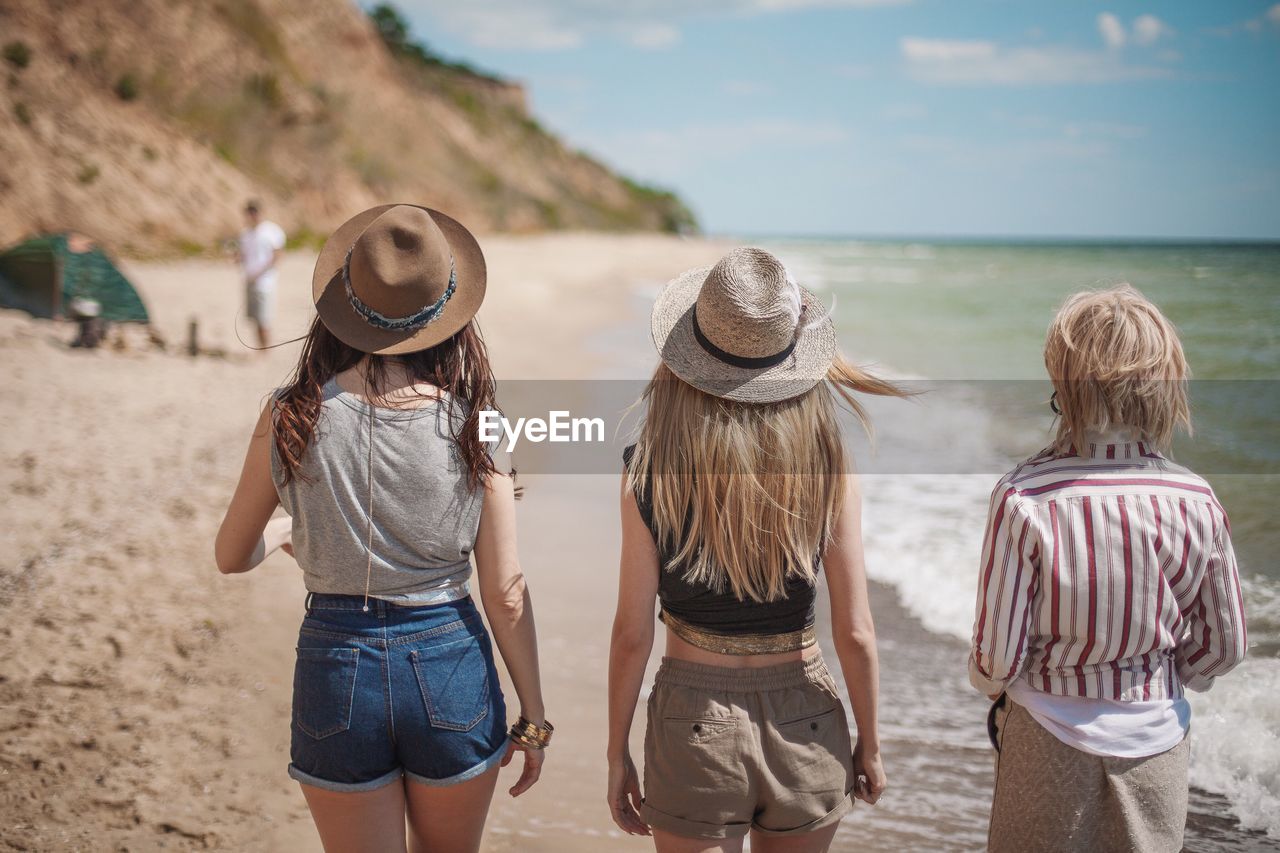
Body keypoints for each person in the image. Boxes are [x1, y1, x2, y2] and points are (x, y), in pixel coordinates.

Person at [214, 204, 549, 852]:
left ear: (346, 302)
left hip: (337, 661)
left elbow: (231, 554)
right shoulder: (477, 421)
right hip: (450, 659)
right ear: (449, 313)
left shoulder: (292, 414)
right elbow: (505, 589)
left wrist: (291, 535)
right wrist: (534, 717)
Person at [608, 247, 907, 852]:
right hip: (807, 714)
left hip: (693, 719)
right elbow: (855, 631)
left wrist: (616, 754)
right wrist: (869, 742)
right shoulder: (826, 468)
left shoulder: (648, 471)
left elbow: (631, 633)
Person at [969, 284, 1248, 853]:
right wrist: (1164, 679)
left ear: (1063, 384)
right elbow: (1226, 644)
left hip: (1048, 733)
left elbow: (997, 658)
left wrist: (993, 688)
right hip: (1156, 738)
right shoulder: (1195, 498)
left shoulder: (1027, 496)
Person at [236, 200, 286, 349]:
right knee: (254, 318)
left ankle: (265, 350)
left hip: (265, 282)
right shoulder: (245, 233)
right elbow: (244, 255)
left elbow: (278, 254)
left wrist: (261, 272)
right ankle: (259, 348)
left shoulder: (271, 231)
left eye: (254, 212)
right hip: (249, 279)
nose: (252, 215)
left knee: (264, 319)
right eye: (249, 212)